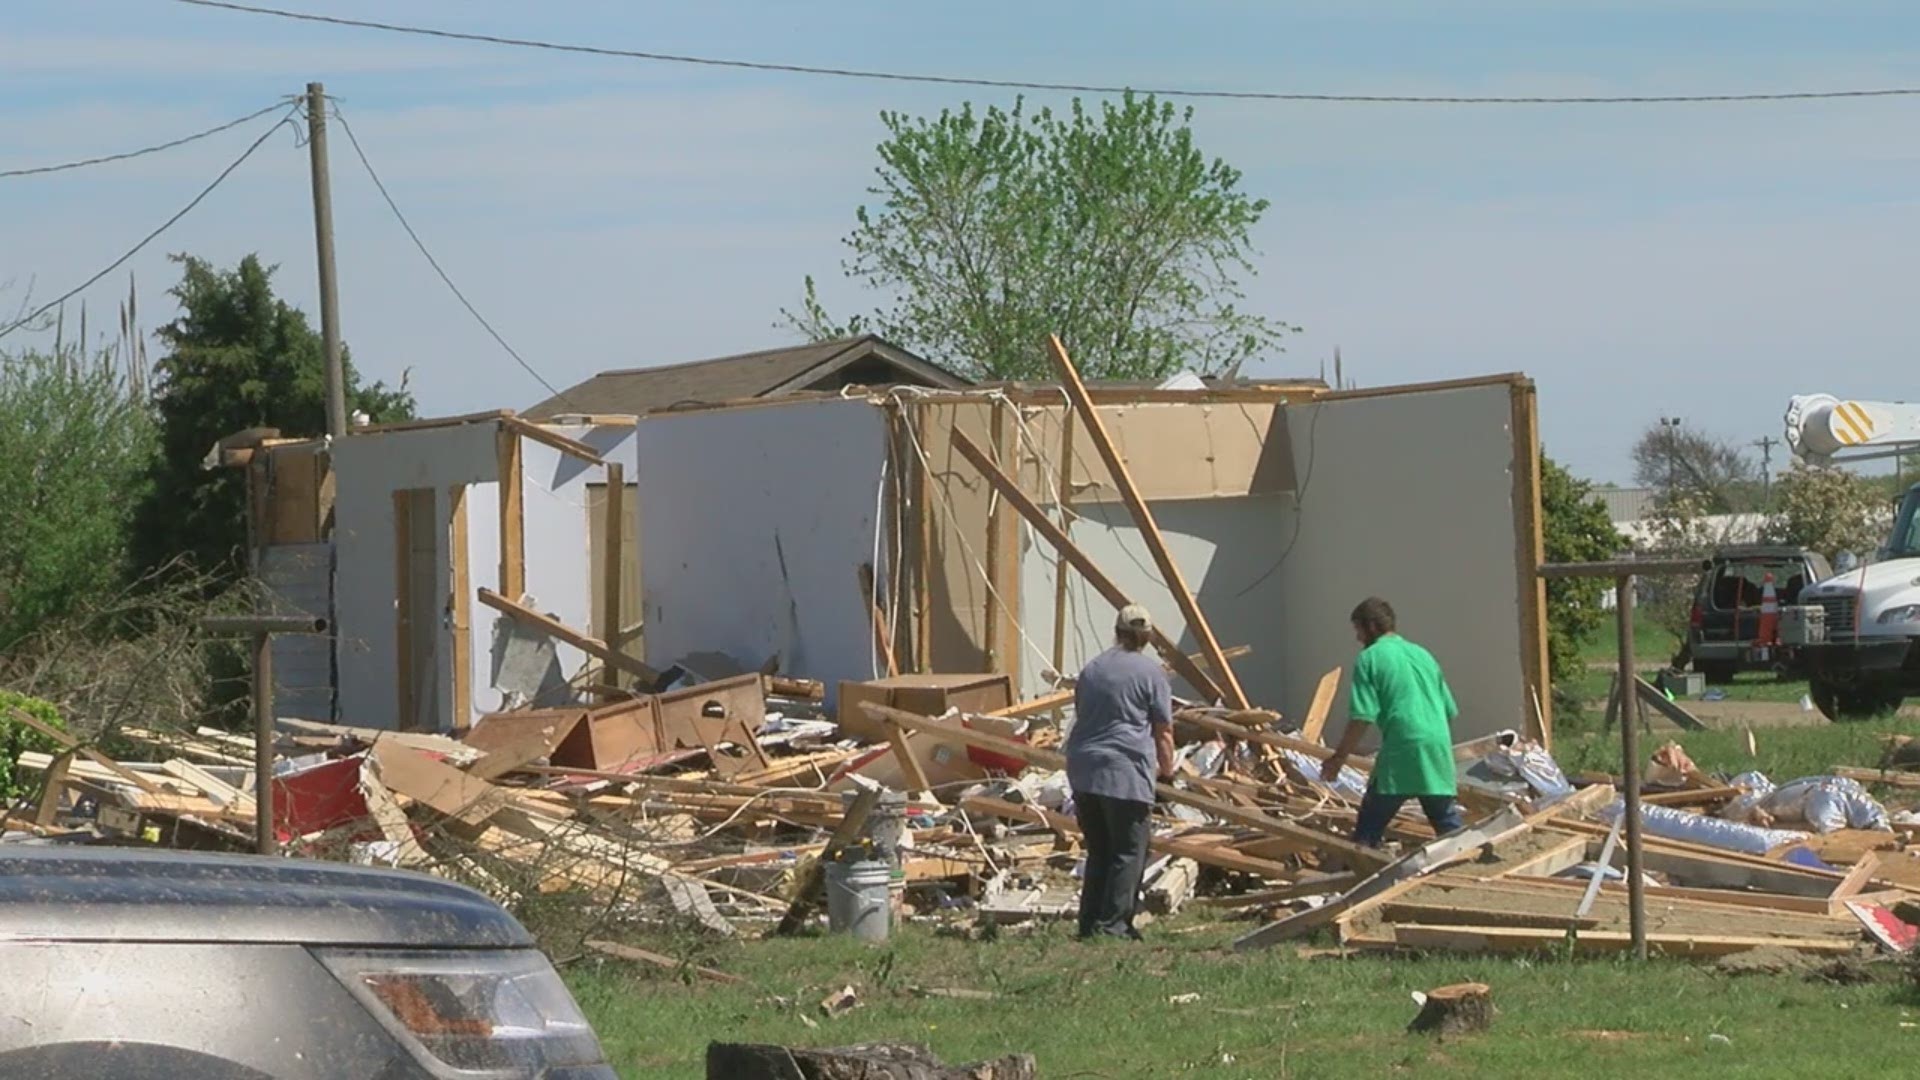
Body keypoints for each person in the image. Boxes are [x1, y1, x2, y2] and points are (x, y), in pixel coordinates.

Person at [1065, 603, 1174, 940]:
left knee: (1099, 850)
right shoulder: (1151, 673)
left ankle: (1089, 924)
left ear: (1117, 631)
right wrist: (1167, 772)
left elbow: (1082, 711)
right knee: (1128, 852)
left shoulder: (1093, 668)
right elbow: (1163, 730)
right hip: (1124, 772)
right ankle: (1113, 927)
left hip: (1083, 769)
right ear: (1149, 636)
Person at [1319, 597, 1462, 847]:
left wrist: (1338, 758)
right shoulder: (1423, 654)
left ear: (1371, 627)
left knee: (1369, 829)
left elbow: (1362, 716)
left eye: (1358, 630)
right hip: (1437, 748)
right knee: (1448, 826)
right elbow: (1449, 710)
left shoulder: (1370, 658)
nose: (1357, 638)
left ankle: (1364, 875)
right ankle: (1471, 867)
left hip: (1402, 748)